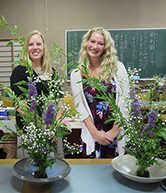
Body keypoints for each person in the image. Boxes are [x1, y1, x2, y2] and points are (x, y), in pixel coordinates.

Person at [70, 27, 129, 158]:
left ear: (105, 47)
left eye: (100, 43)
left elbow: (125, 103)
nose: (95, 46)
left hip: (116, 134)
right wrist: (95, 134)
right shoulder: (76, 74)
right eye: (92, 41)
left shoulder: (118, 68)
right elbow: (80, 107)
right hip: (92, 135)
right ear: (86, 43)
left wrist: (114, 131)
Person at [10, 30, 63, 159]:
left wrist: (54, 127)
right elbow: (21, 106)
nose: (35, 48)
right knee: (32, 168)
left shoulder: (52, 72)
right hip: (30, 131)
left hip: (52, 131)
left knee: (53, 167)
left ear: (44, 47)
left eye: (38, 44)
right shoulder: (20, 72)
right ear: (26, 48)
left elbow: (60, 103)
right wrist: (42, 126)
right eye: (31, 44)